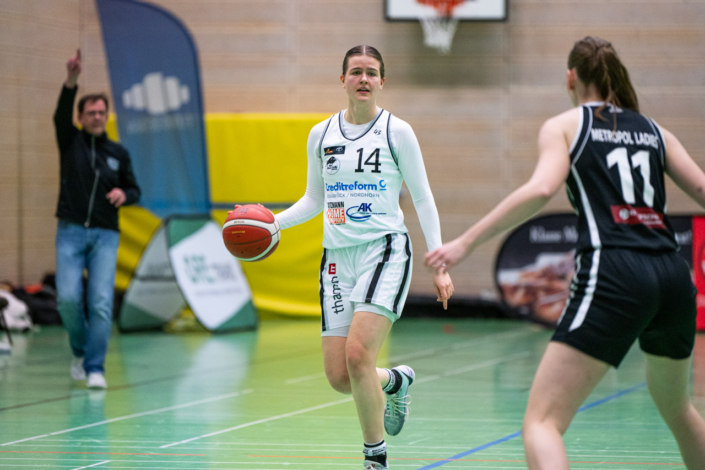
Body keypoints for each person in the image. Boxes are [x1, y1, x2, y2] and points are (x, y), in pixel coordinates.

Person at [426, 36, 705, 469]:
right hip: (673, 275)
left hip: (615, 268)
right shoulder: (655, 131)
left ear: (571, 77)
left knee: (542, 423)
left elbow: (541, 188)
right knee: (679, 409)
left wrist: (465, 242)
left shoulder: (566, 125)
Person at [272, 45, 454, 470]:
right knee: (341, 377)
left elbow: (423, 198)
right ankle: (396, 382)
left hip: (384, 250)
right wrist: (272, 223)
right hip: (337, 259)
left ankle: (375, 459)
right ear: (343, 80)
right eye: (356, 72)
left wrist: (439, 263)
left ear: (382, 81)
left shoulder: (397, 131)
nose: (364, 79)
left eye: (372, 72)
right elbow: (313, 199)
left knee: (358, 356)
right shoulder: (321, 134)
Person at [53, 49, 141, 390]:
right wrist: (72, 80)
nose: (97, 117)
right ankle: (79, 348)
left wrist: (124, 195)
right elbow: (60, 114)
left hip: (105, 235)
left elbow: (134, 190)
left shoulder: (118, 152)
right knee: (67, 299)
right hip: (71, 232)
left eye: (102, 112)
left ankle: (95, 367)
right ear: (80, 117)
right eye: (91, 112)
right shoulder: (70, 141)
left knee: (101, 303)